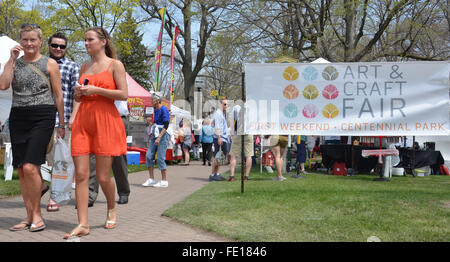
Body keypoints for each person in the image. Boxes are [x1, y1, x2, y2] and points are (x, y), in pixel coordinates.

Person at [64, 27, 128, 239]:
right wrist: (74, 112)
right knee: (81, 175)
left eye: (90, 40)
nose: (86, 43)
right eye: (84, 40)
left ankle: (111, 207)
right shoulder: (85, 66)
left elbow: (123, 95)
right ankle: (83, 223)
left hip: (105, 122)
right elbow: (79, 97)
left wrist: (97, 90)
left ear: (102, 42)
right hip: (83, 122)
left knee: (102, 177)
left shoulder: (114, 65)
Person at [0, 24, 65, 232]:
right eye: (25, 39)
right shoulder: (15, 64)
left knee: (30, 166)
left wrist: (62, 123)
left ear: (40, 41)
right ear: (21, 41)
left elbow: (58, 95)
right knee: (21, 168)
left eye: (33, 40)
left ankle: (38, 215)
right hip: (18, 116)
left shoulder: (50, 63)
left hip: (43, 116)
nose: (29, 43)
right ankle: (28, 216)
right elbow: (3, 85)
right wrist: (11, 60)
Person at [45, 32, 80, 212]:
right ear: (48, 45)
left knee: (60, 161)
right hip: (41, 119)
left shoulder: (72, 66)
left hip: (63, 121)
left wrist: (72, 118)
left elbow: (77, 94)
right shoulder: (41, 64)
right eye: (55, 45)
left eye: (62, 46)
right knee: (42, 160)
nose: (58, 49)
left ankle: (54, 197)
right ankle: (46, 186)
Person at [87, 100, 131, 205]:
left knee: (118, 156)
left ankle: (123, 192)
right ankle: (90, 194)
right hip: (98, 117)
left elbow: (121, 94)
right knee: (93, 155)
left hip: (117, 116)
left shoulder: (121, 82)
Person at [142, 92, 170, 188]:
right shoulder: (155, 109)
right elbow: (157, 122)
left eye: (152, 99)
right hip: (155, 132)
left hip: (163, 133)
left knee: (160, 158)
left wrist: (159, 137)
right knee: (149, 155)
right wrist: (151, 122)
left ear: (158, 100)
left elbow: (166, 125)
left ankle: (164, 180)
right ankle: (151, 179)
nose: (151, 101)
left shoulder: (164, 109)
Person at [228, 104, 253, 181]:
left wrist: (231, 134)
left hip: (238, 133)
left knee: (233, 155)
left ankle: (232, 176)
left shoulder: (235, 108)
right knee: (249, 155)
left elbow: (232, 122)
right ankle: (246, 176)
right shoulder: (251, 108)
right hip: (248, 133)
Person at [209, 99, 230, 181]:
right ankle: (212, 175)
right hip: (220, 137)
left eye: (227, 104)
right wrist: (219, 138)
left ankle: (216, 174)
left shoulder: (221, 113)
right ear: (220, 104)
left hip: (222, 137)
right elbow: (217, 127)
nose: (226, 106)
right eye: (225, 104)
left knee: (220, 156)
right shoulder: (218, 114)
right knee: (217, 156)